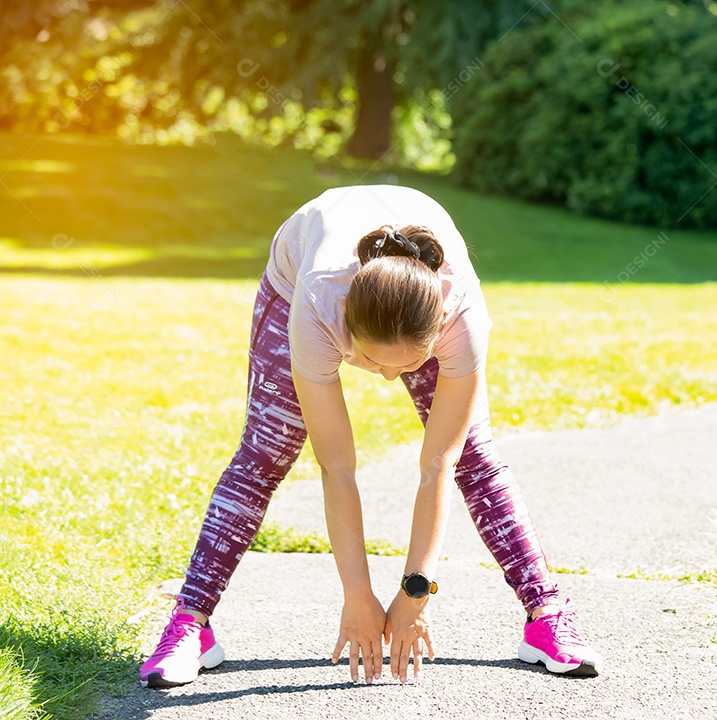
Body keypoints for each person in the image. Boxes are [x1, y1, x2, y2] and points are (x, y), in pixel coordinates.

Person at [137, 184, 602, 688]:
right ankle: (190, 624)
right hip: (296, 278)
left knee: (472, 455)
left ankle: (546, 615)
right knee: (266, 452)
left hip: (414, 302)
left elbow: (437, 464)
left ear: (440, 327)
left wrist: (415, 592)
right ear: (348, 332)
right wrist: (357, 595)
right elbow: (336, 466)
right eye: (374, 360)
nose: (385, 378)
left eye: (404, 363)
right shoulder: (319, 303)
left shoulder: (462, 319)